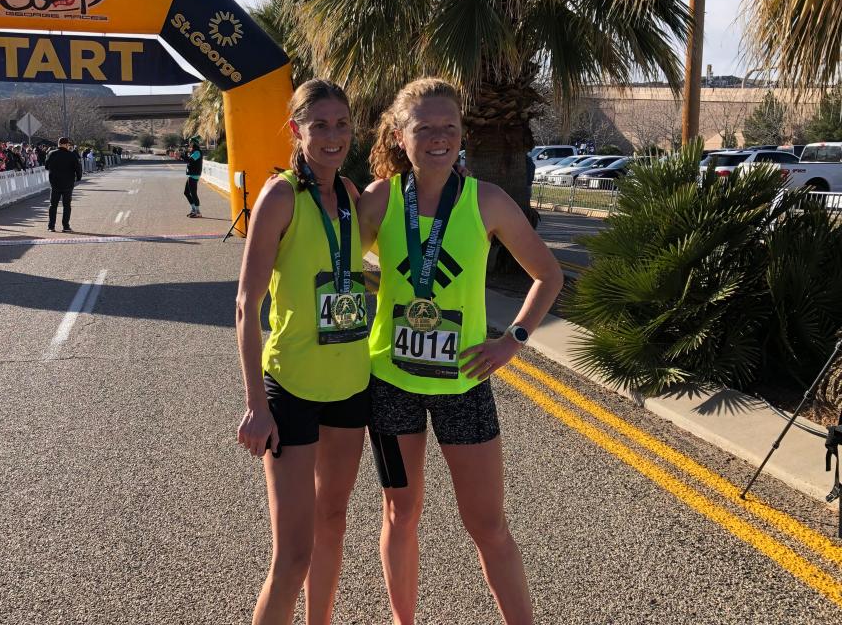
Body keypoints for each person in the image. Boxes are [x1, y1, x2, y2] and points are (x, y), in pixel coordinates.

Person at [357, 78, 563, 625]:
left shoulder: (486, 200)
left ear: (462, 133)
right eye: (424, 128)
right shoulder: (378, 199)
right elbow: (332, 266)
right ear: (400, 136)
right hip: (391, 384)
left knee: (488, 525)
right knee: (401, 515)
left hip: (464, 386)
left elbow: (548, 274)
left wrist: (512, 341)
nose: (439, 138)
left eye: (449, 127)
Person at [236, 79, 370, 625]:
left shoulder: (353, 196)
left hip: (350, 386)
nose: (332, 136)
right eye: (320, 125)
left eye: (341, 124)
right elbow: (246, 305)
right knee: (292, 556)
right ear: (297, 130)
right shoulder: (280, 195)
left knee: (333, 523)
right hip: (290, 390)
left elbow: (350, 275)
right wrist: (256, 404)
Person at [44, 136, 82, 232]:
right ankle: (65, 226)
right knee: (66, 205)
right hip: (68, 183)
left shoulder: (51, 154)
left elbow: (46, 166)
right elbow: (78, 168)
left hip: (55, 183)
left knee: (53, 205)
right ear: (66, 144)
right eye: (68, 144)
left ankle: (51, 226)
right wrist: (78, 177)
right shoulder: (72, 155)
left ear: (58, 144)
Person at [181, 141, 203, 217]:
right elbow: (187, 160)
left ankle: (198, 212)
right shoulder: (194, 152)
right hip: (191, 175)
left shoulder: (197, 152)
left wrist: (185, 154)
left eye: (191, 143)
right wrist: (184, 154)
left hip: (194, 175)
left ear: (194, 144)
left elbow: (189, 160)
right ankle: (194, 209)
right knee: (186, 193)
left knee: (193, 193)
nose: (190, 145)